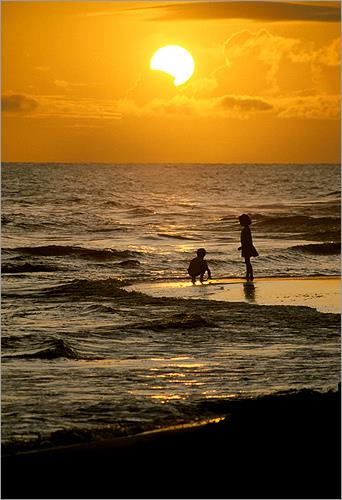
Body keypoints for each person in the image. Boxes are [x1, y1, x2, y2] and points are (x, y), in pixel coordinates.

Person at [238, 214, 258, 281]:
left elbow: (247, 240)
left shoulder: (246, 230)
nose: (240, 223)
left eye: (241, 221)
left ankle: (250, 275)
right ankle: (249, 275)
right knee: (247, 262)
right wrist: (242, 246)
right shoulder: (247, 229)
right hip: (247, 247)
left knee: (247, 262)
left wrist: (243, 247)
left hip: (247, 247)